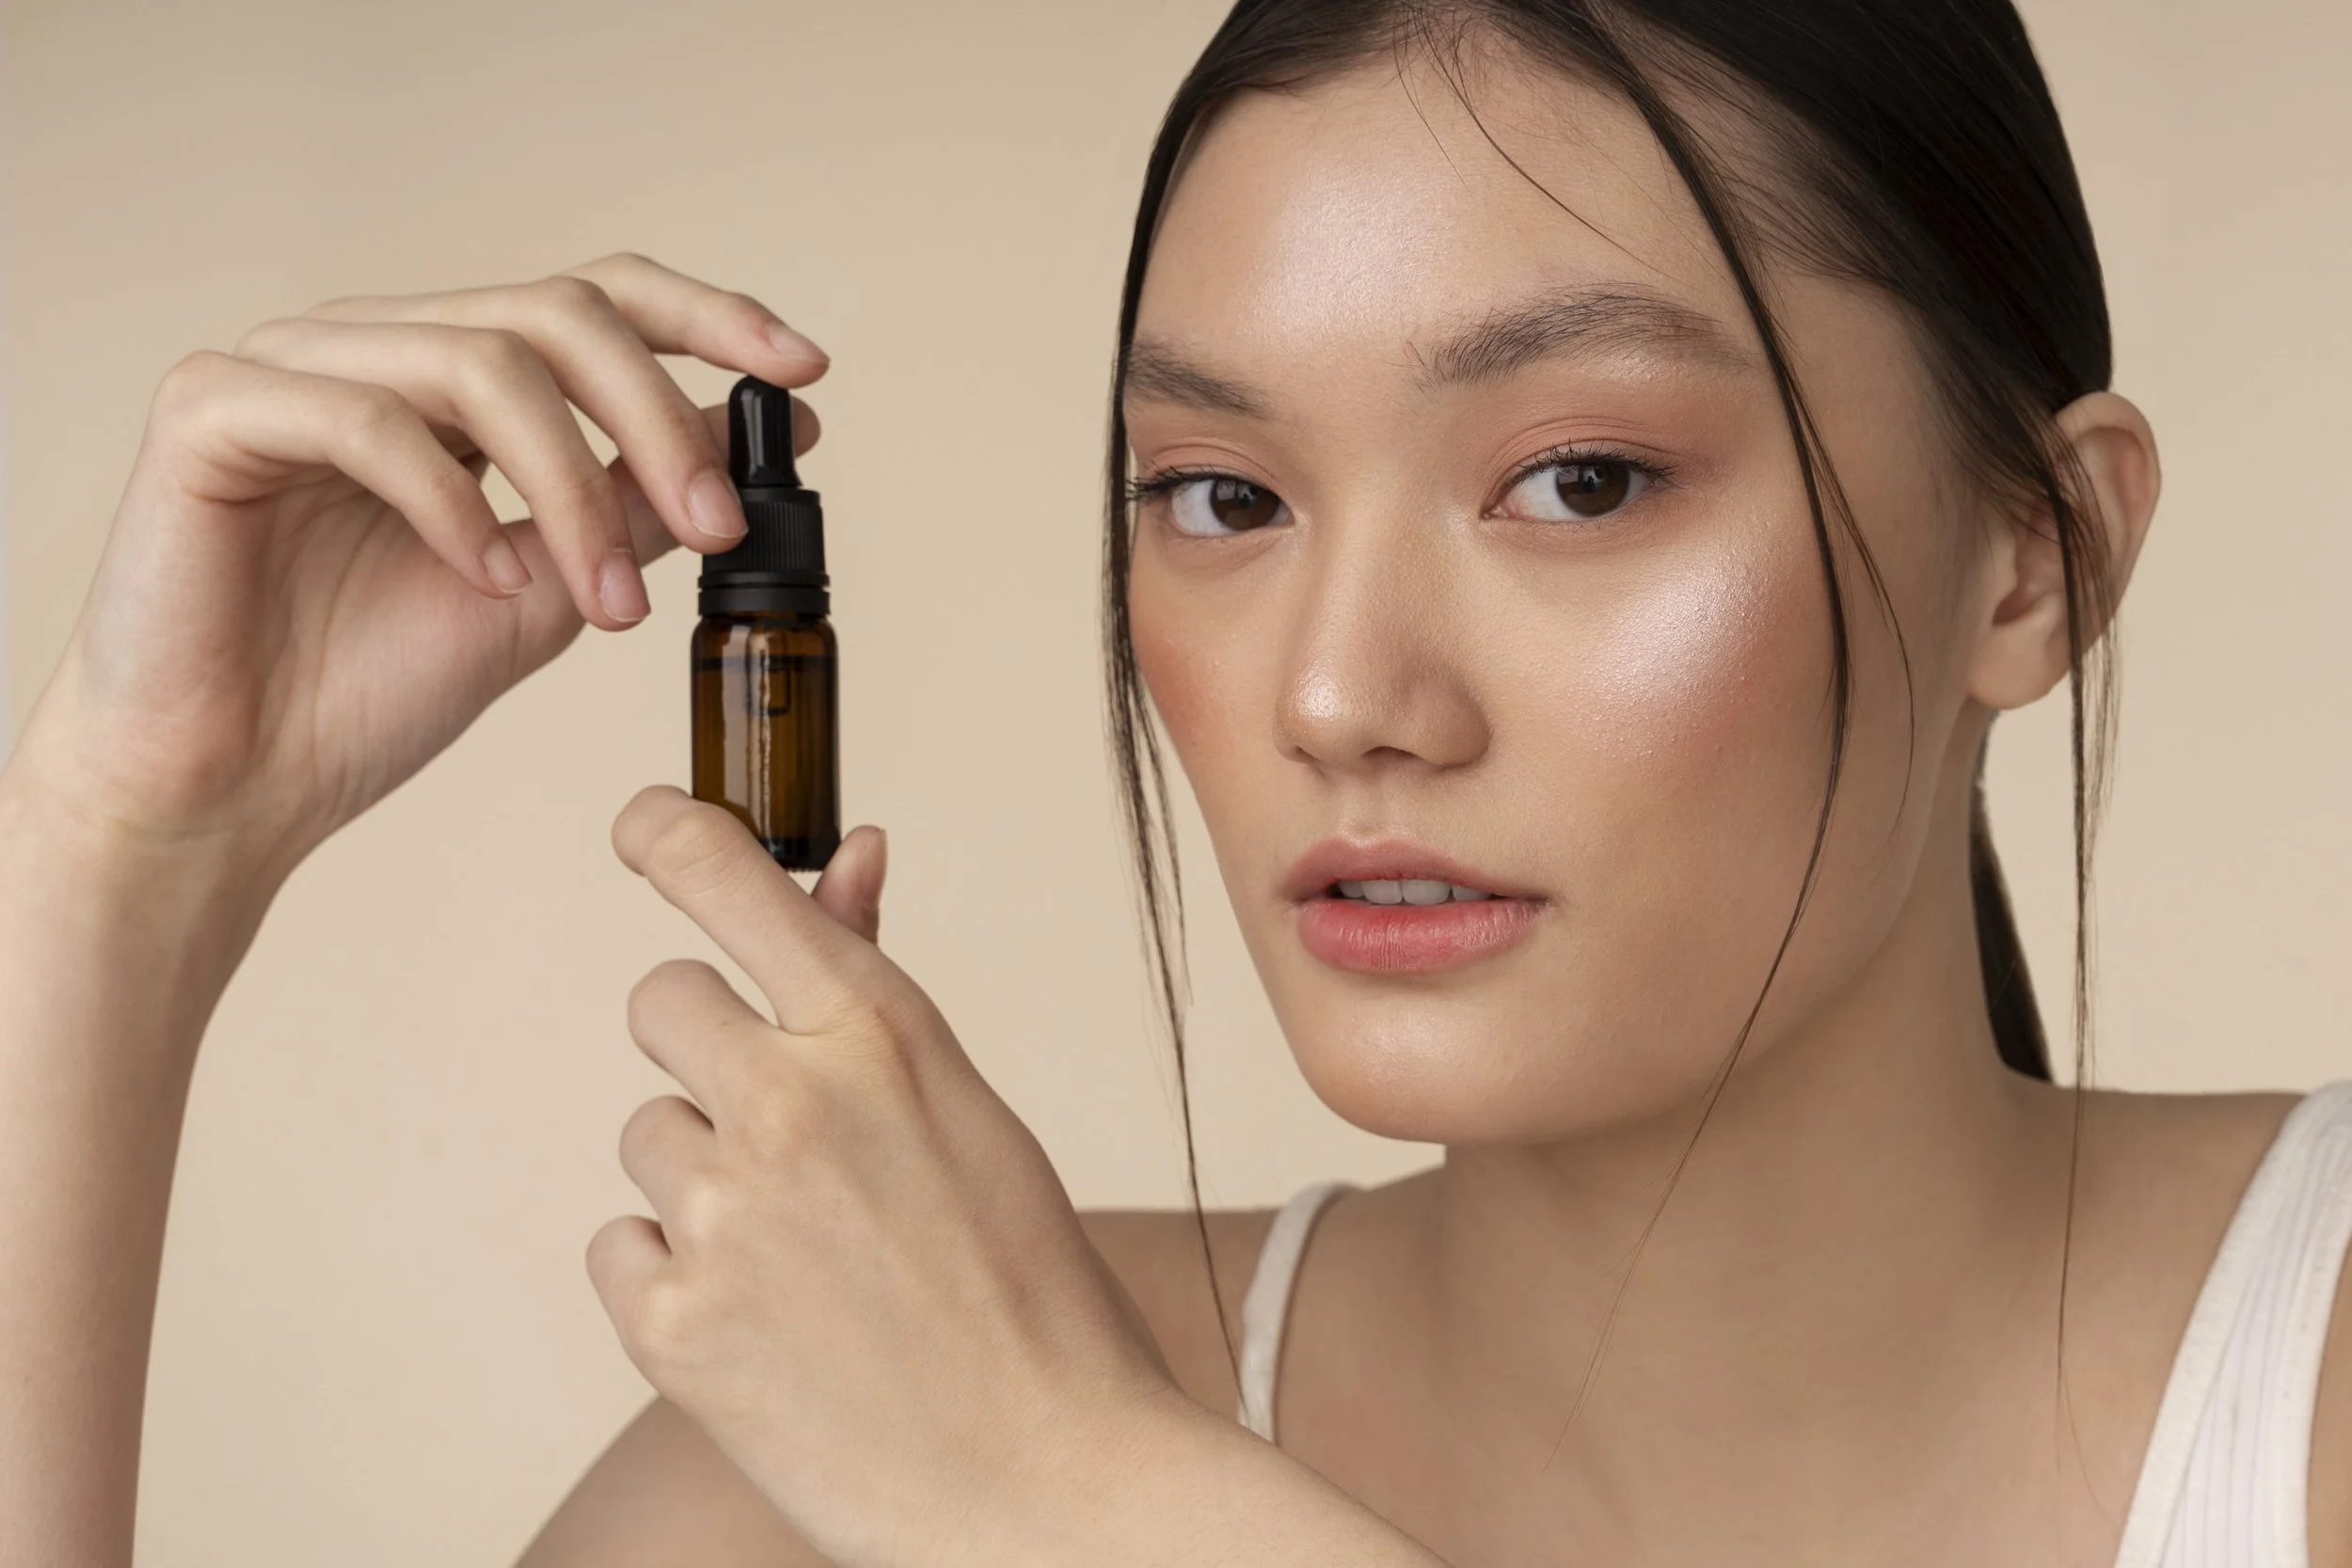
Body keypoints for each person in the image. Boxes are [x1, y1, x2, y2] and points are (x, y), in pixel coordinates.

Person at [3, 0, 2344, 1563]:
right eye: (1220, 499)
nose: (1342, 691)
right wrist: (126, 851)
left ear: (2031, 559)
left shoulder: (960, 1422)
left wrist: (1073, 1495)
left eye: (1581, 474)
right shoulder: (831, 1430)